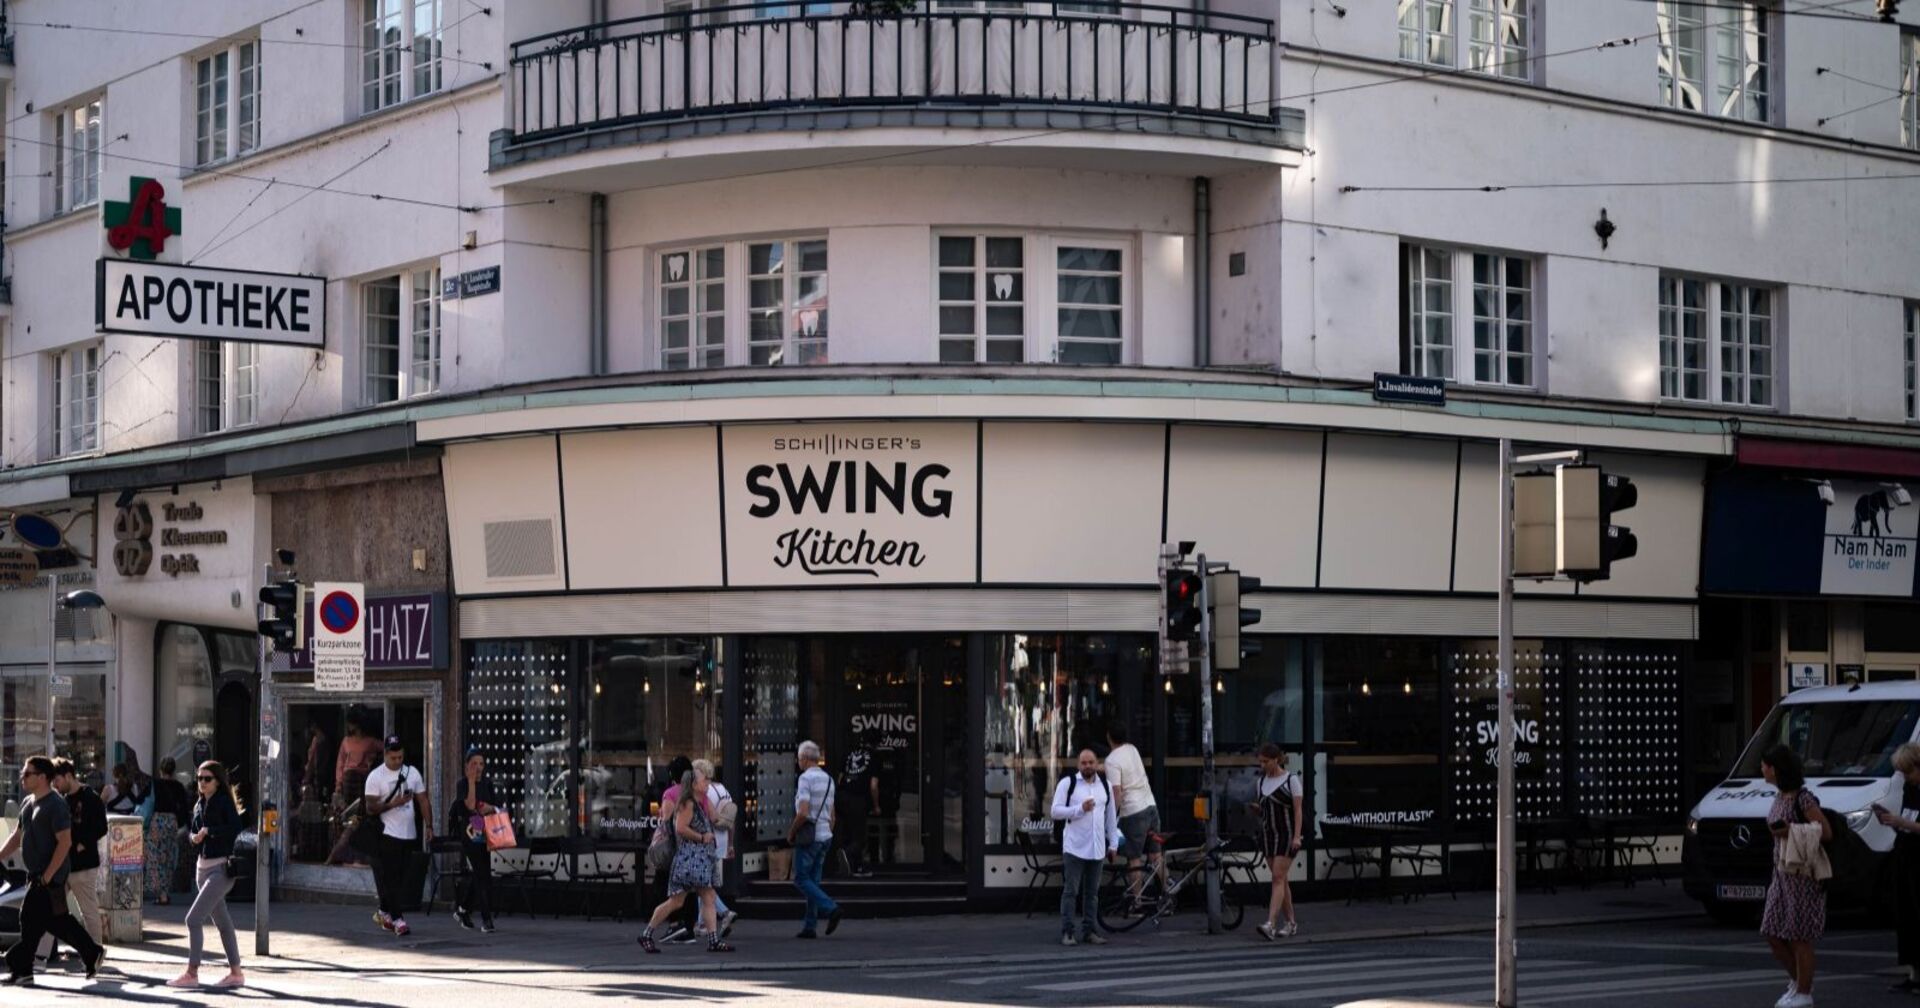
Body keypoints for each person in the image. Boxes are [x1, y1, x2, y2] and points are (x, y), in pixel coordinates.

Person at [1, 755, 106, 985]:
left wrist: (48, 875)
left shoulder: (56, 805)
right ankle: (91, 953)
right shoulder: (28, 803)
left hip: (49, 877)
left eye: (27, 773)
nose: (22, 777)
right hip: (36, 875)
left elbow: (65, 842)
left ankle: (20, 965)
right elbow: (17, 836)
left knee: (29, 917)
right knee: (52, 921)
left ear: (43, 777)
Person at [1760, 743, 1830, 1008]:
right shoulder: (1779, 797)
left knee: (1799, 935)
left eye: (1765, 765)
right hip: (1781, 873)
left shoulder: (1804, 798)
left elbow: (1824, 831)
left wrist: (1789, 829)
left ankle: (1804, 991)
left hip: (1801, 874)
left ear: (1776, 769)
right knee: (1772, 932)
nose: (1762, 769)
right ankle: (1799, 981)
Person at [636, 770, 735, 953]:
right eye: (705, 780)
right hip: (690, 860)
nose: (708, 783)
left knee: (701, 898)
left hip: (696, 859)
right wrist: (702, 837)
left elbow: (712, 819)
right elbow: (680, 828)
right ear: (694, 784)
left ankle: (712, 940)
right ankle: (647, 934)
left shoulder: (697, 802)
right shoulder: (688, 803)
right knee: (683, 900)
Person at [167, 761, 245, 990]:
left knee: (193, 919)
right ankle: (236, 973)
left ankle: (192, 973)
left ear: (218, 781)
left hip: (220, 870)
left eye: (207, 778)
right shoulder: (199, 803)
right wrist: (194, 837)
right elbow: (193, 830)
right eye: (199, 778)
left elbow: (235, 828)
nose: (201, 783)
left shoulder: (223, 802)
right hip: (202, 868)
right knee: (223, 923)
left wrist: (209, 832)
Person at [660, 759, 738, 943]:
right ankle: (706, 928)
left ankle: (659, 929)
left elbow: (670, 824)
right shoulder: (710, 794)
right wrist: (730, 842)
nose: (706, 782)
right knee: (704, 891)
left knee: (686, 894)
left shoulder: (678, 794)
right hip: (710, 847)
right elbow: (719, 819)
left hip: (687, 850)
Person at [363, 735, 433, 937]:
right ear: (385, 754)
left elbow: (423, 800)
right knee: (392, 878)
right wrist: (394, 804)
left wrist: (429, 825)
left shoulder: (412, 773)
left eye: (400, 757)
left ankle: (383, 911)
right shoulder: (375, 777)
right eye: (393, 757)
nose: (397, 761)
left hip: (408, 833)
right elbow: (370, 807)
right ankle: (398, 919)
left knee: (401, 878)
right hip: (387, 833)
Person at [1050, 748, 1120, 947]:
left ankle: (1090, 931)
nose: (1088, 766)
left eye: (1091, 762)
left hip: (1097, 848)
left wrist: (1113, 844)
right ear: (1078, 765)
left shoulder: (1105, 786)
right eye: (1084, 763)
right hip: (1075, 847)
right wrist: (1079, 809)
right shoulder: (1068, 783)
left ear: (1097, 764)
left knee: (1092, 894)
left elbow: (1110, 819)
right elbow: (1055, 811)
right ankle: (1068, 932)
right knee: (1071, 891)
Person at [40, 759, 107, 962]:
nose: (55, 785)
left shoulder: (90, 798)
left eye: (57, 780)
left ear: (69, 776)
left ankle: (95, 953)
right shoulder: (60, 800)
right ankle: (40, 955)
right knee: (48, 909)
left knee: (88, 911)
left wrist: (83, 843)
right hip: (62, 866)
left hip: (83, 866)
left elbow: (101, 827)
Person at [787, 740, 843, 939]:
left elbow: (803, 812)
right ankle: (810, 926)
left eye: (799, 758)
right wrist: (827, 832)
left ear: (804, 759)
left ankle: (831, 907)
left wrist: (792, 832)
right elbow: (833, 815)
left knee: (801, 879)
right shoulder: (828, 779)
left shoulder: (805, 779)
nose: (798, 761)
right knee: (813, 881)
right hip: (825, 835)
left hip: (809, 838)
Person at [1876, 742, 1920, 993]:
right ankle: (1914, 974)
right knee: (1906, 917)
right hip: (1906, 855)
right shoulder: (1910, 788)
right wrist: (1894, 823)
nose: (1905, 777)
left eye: (1908, 771)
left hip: (1917, 858)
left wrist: (1901, 822)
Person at [1250, 743, 1304, 940]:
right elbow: (1264, 810)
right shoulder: (1261, 782)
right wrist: (1258, 810)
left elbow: (1298, 810)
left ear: (1276, 760)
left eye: (1265, 761)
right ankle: (1290, 923)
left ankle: (1270, 924)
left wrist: (1297, 836)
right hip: (1268, 835)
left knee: (1277, 878)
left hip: (1287, 834)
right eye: (1260, 761)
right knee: (1281, 879)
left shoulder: (1291, 780)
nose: (1262, 765)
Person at [1103, 723, 1161, 901]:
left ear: (1108, 737)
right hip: (1151, 806)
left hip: (1133, 812)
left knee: (1134, 859)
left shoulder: (1111, 760)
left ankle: (1138, 902)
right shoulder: (1132, 749)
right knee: (1156, 855)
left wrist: (1111, 817)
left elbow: (1117, 793)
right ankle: (1166, 897)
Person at [448, 747, 499, 933]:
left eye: (481, 764)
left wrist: (489, 808)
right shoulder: (463, 783)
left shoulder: (487, 783)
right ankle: (487, 919)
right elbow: (469, 805)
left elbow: (496, 805)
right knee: (481, 873)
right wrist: (470, 781)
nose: (478, 768)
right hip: (469, 831)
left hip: (484, 831)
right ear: (466, 766)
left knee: (482, 873)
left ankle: (463, 909)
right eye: (474, 764)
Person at [148, 757, 192, 905]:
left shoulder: (154, 784)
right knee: (168, 857)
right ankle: (165, 892)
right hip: (172, 822)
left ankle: (161, 894)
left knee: (156, 858)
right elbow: (184, 808)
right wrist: (181, 823)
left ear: (160, 769)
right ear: (173, 771)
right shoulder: (179, 786)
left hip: (157, 821)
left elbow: (144, 801)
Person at [836, 745, 874, 877]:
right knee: (859, 836)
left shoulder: (848, 752)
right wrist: (876, 805)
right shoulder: (874, 756)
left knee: (847, 832)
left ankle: (852, 866)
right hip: (858, 798)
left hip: (843, 796)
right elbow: (874, 785)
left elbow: (840, 777)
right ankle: (849, 855)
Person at [334, 717, 382, 795]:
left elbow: (385, 748)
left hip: (362, 777)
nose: (348, 725)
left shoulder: (370, 741)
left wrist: (374, 758)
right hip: (348, 778)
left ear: (357, 725)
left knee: (361, 804)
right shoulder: (346, 741)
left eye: (350, 723)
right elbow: (340, 762)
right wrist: (338, 783)